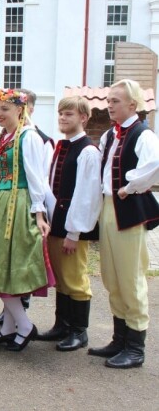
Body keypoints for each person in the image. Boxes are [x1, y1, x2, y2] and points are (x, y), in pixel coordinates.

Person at [0, 89, 52, 351]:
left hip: (19, 203)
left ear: (20, 109)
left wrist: (39, 213)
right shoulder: (4, 138)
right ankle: (8, 327)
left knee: (7, 266)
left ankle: (25, 326)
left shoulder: (28, 137)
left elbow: (37, 177)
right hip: (1, 202)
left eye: (5, 109)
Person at [88, 79, 159, 369]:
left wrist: (129, 187)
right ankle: (119, 338)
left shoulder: (143, 134)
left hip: (127, 210)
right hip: (108, 207)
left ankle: (135, 347)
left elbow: (153, 165)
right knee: (111, 275)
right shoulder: (110, 135)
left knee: (130, 277)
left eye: (115, 101)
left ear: (133, 104)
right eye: (109, 101)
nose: (110, 106)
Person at [36, 96, 101, 350]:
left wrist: (74, 232)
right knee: (61, 278)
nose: (63, 118)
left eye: (69, 114)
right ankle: (61, 325)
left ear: (83, 118)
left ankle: (78, 330)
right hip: (57, 223)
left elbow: (87, 195)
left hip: (73, 228)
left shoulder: (88, 151)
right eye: (61, 114)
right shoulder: (60, 146)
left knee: (76, 279)